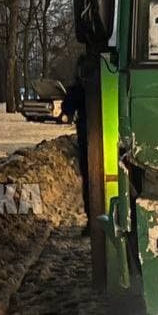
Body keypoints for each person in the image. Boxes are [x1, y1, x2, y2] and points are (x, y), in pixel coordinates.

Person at [60, 78, 90, 230]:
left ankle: (92, 218)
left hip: (87, 137)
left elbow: (68, 106)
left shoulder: (80, 86)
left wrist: (67, 112)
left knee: (89, 178)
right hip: (103, 134)